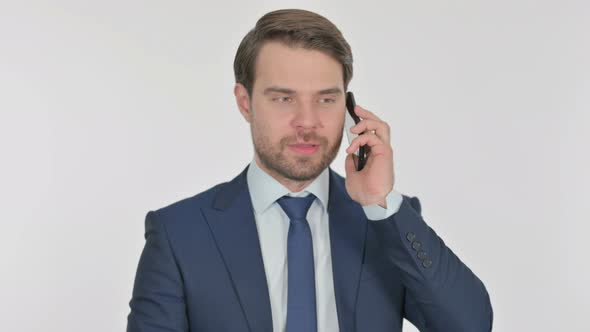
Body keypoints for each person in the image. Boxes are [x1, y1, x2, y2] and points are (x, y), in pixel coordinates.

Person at [126, 8, 493, 332]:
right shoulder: (179, 233)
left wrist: (380, 204)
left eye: (326, 99)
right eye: (284, 98)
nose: (308, 121)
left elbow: (469, 324)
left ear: (349, 107)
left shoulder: (384, 221)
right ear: (245, 103)